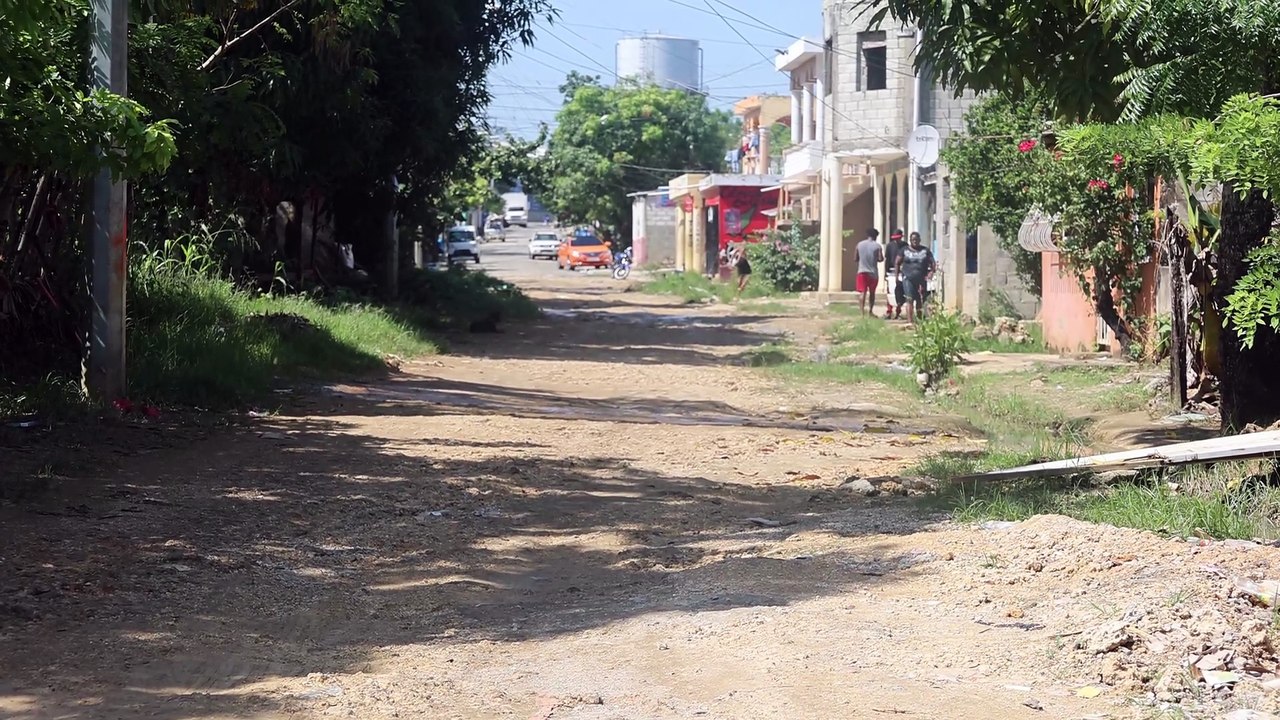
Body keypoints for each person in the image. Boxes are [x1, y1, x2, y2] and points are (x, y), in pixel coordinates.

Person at [895, 231, 936, 325]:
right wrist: (897, 276)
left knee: (920, 299)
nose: (915, 241)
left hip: (921, 278)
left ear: (920, 240)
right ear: (910, 240)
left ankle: (919, 320)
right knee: (909, 299)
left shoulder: (925, 250)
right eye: (913, 239)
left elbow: (932, 263)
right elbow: (897, 262)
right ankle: (910, 321)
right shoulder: (904, 250)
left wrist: (931, 272)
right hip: (908, 278)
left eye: (916, 240)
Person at [854, 228, 884, 317]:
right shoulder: (877, 246)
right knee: (872, 292)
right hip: (873, 273)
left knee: (862, 292)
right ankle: (870, 311)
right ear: (875, 236)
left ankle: (862, 313)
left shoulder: (859, 244)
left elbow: (855, 258)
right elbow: (880, 259)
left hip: (862, 272)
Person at [883, 229, 907, 319]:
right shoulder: (890, 246)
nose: (896, 240)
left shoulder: (905, 246)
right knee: (890, 291)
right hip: (892, 271)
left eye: (898, 238)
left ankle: (898, 311)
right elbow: (887, 259)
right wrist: (886, 272)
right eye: (895, 238)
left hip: (903, 271)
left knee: (900, 292)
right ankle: (889, 311)